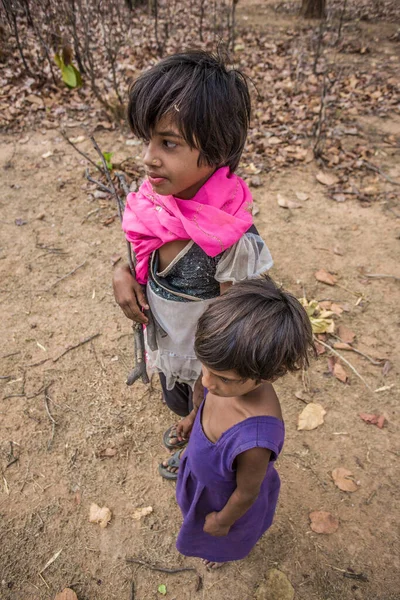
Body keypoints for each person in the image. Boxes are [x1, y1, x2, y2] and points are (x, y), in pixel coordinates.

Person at [112, 51, 273, 469]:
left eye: (168, 143)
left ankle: (196, 448)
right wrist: (121, 271)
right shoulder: (153, 201)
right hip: (167, 343)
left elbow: (232, 331)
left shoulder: (229, 237)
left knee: (203, 407)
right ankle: (187, 418)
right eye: (147, 139)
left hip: (204, 361)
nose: (149, 157)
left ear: (216, 150)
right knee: (175, 395)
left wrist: (210, 387)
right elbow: (135, 248)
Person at [169, 277, 314, 568]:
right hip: (201, 479)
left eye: (223, 378)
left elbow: (247, 492)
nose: (208, 381)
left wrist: (222, 521)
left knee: (218, 537)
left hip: (223, 501)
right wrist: (191, 418)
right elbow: (205, 400)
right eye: (205, 366)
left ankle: (219, 554)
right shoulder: (225, 372)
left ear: (268, 375)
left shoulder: (255, 438)